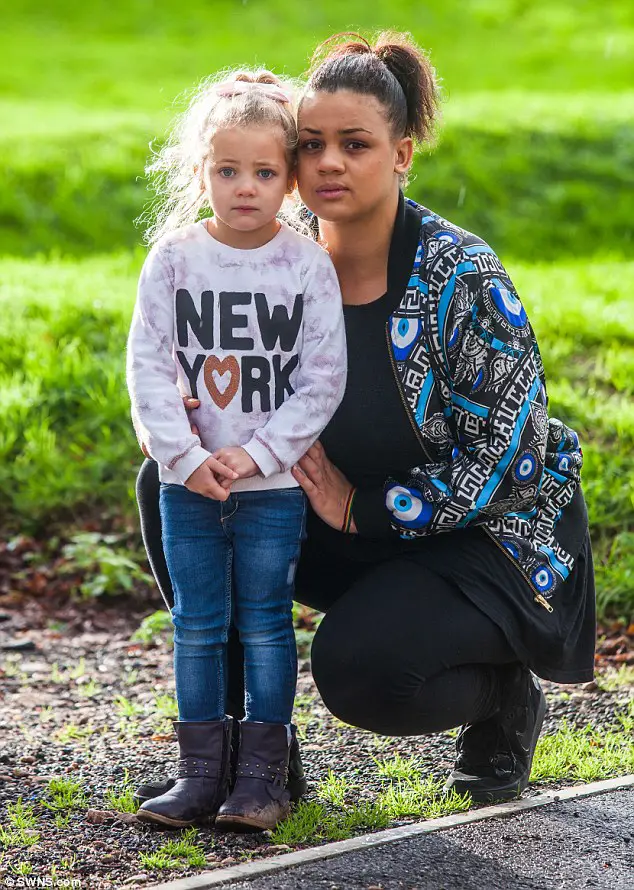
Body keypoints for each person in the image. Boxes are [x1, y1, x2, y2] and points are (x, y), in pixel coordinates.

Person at [134, 32, 596, 812]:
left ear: (403, 153)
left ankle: (504, 698)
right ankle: (256, 758)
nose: (329, 164)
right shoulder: (277, 263)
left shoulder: (460, 276)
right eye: (310, 145)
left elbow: (511, 457)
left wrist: (364, 507)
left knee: (364, 676)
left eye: (356, 144)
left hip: (484, 540)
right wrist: (179, 417)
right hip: (337, 515)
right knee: (171, 484)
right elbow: (180, 360)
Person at [125, 68, 347, 831]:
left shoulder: (305, 267)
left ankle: (261, 780)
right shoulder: (175, 261)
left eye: (262, 172)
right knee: (196, 623)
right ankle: (198, 776)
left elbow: (321, 380)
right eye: (227, 170)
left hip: (272, 489)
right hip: (189, 488)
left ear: (289, 181)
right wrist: (185, 459)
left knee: (263, 623)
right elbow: (148, 368)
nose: (244, 186)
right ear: (201, 172)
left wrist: (254, 456)